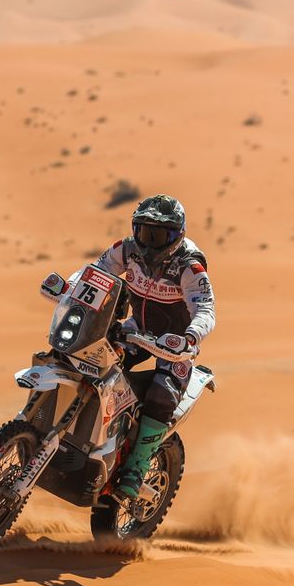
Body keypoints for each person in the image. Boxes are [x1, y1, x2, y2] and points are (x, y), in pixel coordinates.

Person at [90, 194, 216, 499]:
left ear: (177, 235)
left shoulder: (189, 265)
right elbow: (95, 274)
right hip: (138, 329)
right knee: (93, 359)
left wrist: (189, 338)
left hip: (174, 342)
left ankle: (135, 467)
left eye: (159, 235)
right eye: (144, 232)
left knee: (163, 392)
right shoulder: (126, 250)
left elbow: (206, 309)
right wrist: (71, 290)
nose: (150, 242)